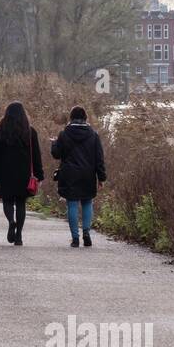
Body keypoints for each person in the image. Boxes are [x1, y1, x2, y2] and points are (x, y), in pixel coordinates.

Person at [0, 102, 45, 246]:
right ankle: (19, 235)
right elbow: (36, 156)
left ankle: (11, 221)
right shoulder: (30, 132)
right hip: (24, 173)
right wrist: (39, 174)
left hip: (5, 173)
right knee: (21, 203)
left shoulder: (1, 131)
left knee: (7, 201)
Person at [50, 106, 107, 248]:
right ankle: (86, 232)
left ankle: (75, 238)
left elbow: (56, 154)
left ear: (71, 118)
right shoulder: (93, 135)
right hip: (88, 174)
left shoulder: (64, 134)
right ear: (85, 118)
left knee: (72, 204)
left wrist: (54, 143)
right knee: (87, 202)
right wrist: (101, 177)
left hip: (70, 174)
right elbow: (99, 158)